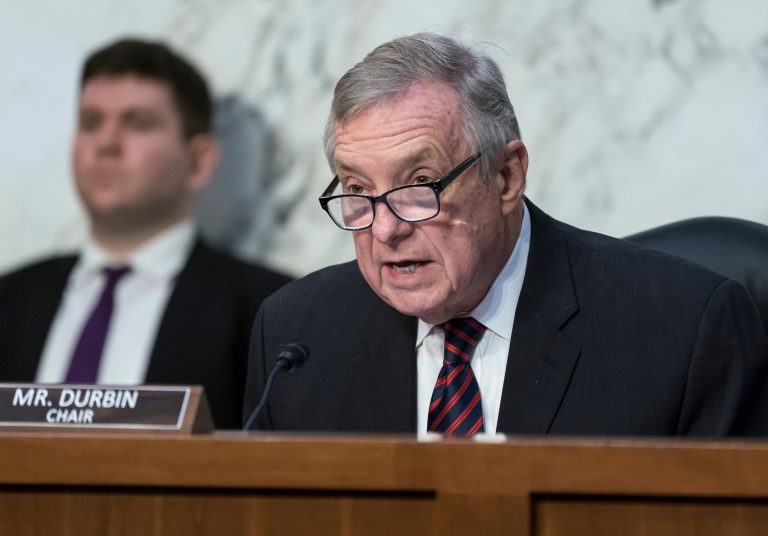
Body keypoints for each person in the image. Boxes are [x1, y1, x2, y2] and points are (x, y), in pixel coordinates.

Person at [244, 32, 768, 437]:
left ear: (506, 176)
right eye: (358, 188)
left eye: (421, 183)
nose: (386, 228)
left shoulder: (685, 328)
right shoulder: (297, 335)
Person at [0, 38, 291, 429]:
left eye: (137, 123)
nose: (106, 143)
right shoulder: (10, 300)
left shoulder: (271, 311)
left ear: (198, 160)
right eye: (90, 123)